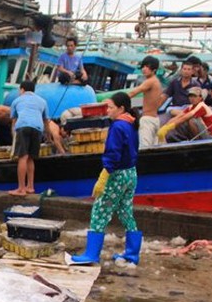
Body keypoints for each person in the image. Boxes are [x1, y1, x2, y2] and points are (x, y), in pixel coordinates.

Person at [69, 92, 141, 266]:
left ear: (121, 108)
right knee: (125, 212)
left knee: (100, 211)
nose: (107, 110)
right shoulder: (131, 124)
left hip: (116, 174)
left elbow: (113, 153)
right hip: (130, 173)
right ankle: (132, 254)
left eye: (110, 107)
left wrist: (104, 175)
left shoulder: (117, 126)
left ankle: (91, 254)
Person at [9, 80, 50, 196]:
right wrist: (48, 137)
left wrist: (13, 137)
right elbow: (46, 121)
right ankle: (30, 186)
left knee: (22, 157)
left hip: (23, 126)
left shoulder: (17, 100)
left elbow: (14, 120)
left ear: (22, 89)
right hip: (38, 129)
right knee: (31, 158)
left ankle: (21, 188)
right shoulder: (42, 101)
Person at [127, 55, 163, 148]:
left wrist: (117, 100)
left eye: (147, 67)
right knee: (154, 149)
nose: (144, 69)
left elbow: (134, 92)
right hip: (155, 119)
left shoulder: (150, 81)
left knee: (144, 148)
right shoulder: (157, 82)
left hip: (147, 120)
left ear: (154, 69)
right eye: (143, 66)